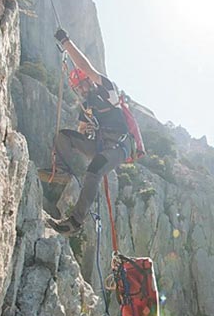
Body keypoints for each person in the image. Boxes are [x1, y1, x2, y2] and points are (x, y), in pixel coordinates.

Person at [45, 26, 142, 233]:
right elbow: (79, 133)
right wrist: (86, 128)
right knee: (63, 137)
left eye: (82, 85)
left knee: (95, 170)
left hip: (118, 146)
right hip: (99, 145)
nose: (81, 90)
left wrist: (66, 42)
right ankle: (63, 170)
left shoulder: (108, 91)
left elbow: (84, 65)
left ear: (89, 81)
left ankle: (75, 222)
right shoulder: (87, 106)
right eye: (77, 88)